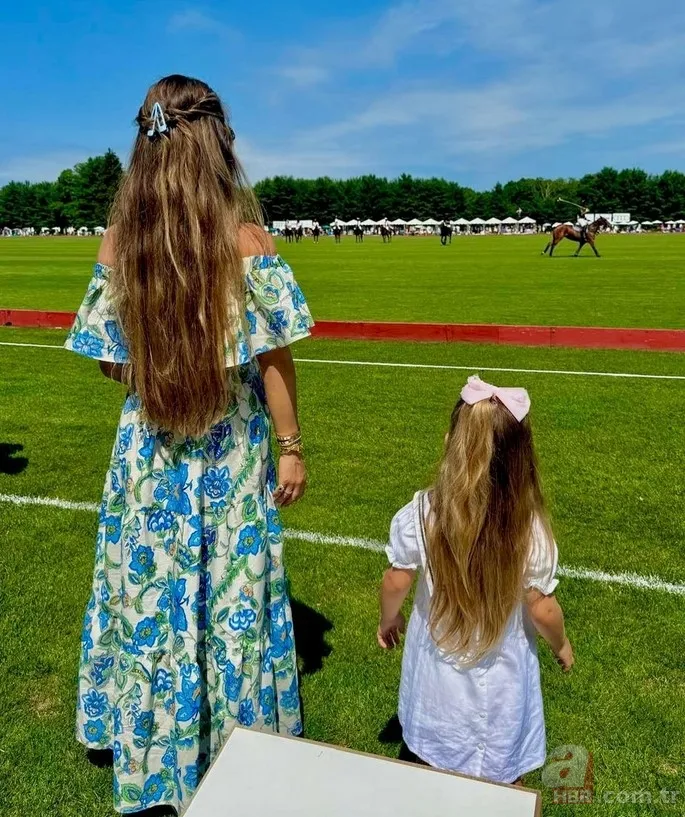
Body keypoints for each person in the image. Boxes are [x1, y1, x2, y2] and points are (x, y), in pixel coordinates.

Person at [64, 74, 314, 814]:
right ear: (214, 143)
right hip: (229, 457)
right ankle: (231, 747)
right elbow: (274, 360)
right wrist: (292, 445)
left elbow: (113, 362)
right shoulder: (246, 240)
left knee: (147, 599)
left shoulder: (120, 242)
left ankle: (144, 739)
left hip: (148, 457)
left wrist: (161, 362)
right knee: (230, 603)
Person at [377, 376, 573, 784]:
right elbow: (543, 608)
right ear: (522, 459)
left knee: (433, 759)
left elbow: (397, 579)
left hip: (439, 667)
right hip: (504, 677)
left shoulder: (422, 514)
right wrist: (562, 643)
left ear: (450, 441)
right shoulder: (529, 530)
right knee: (502, 769)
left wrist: (388, 620)